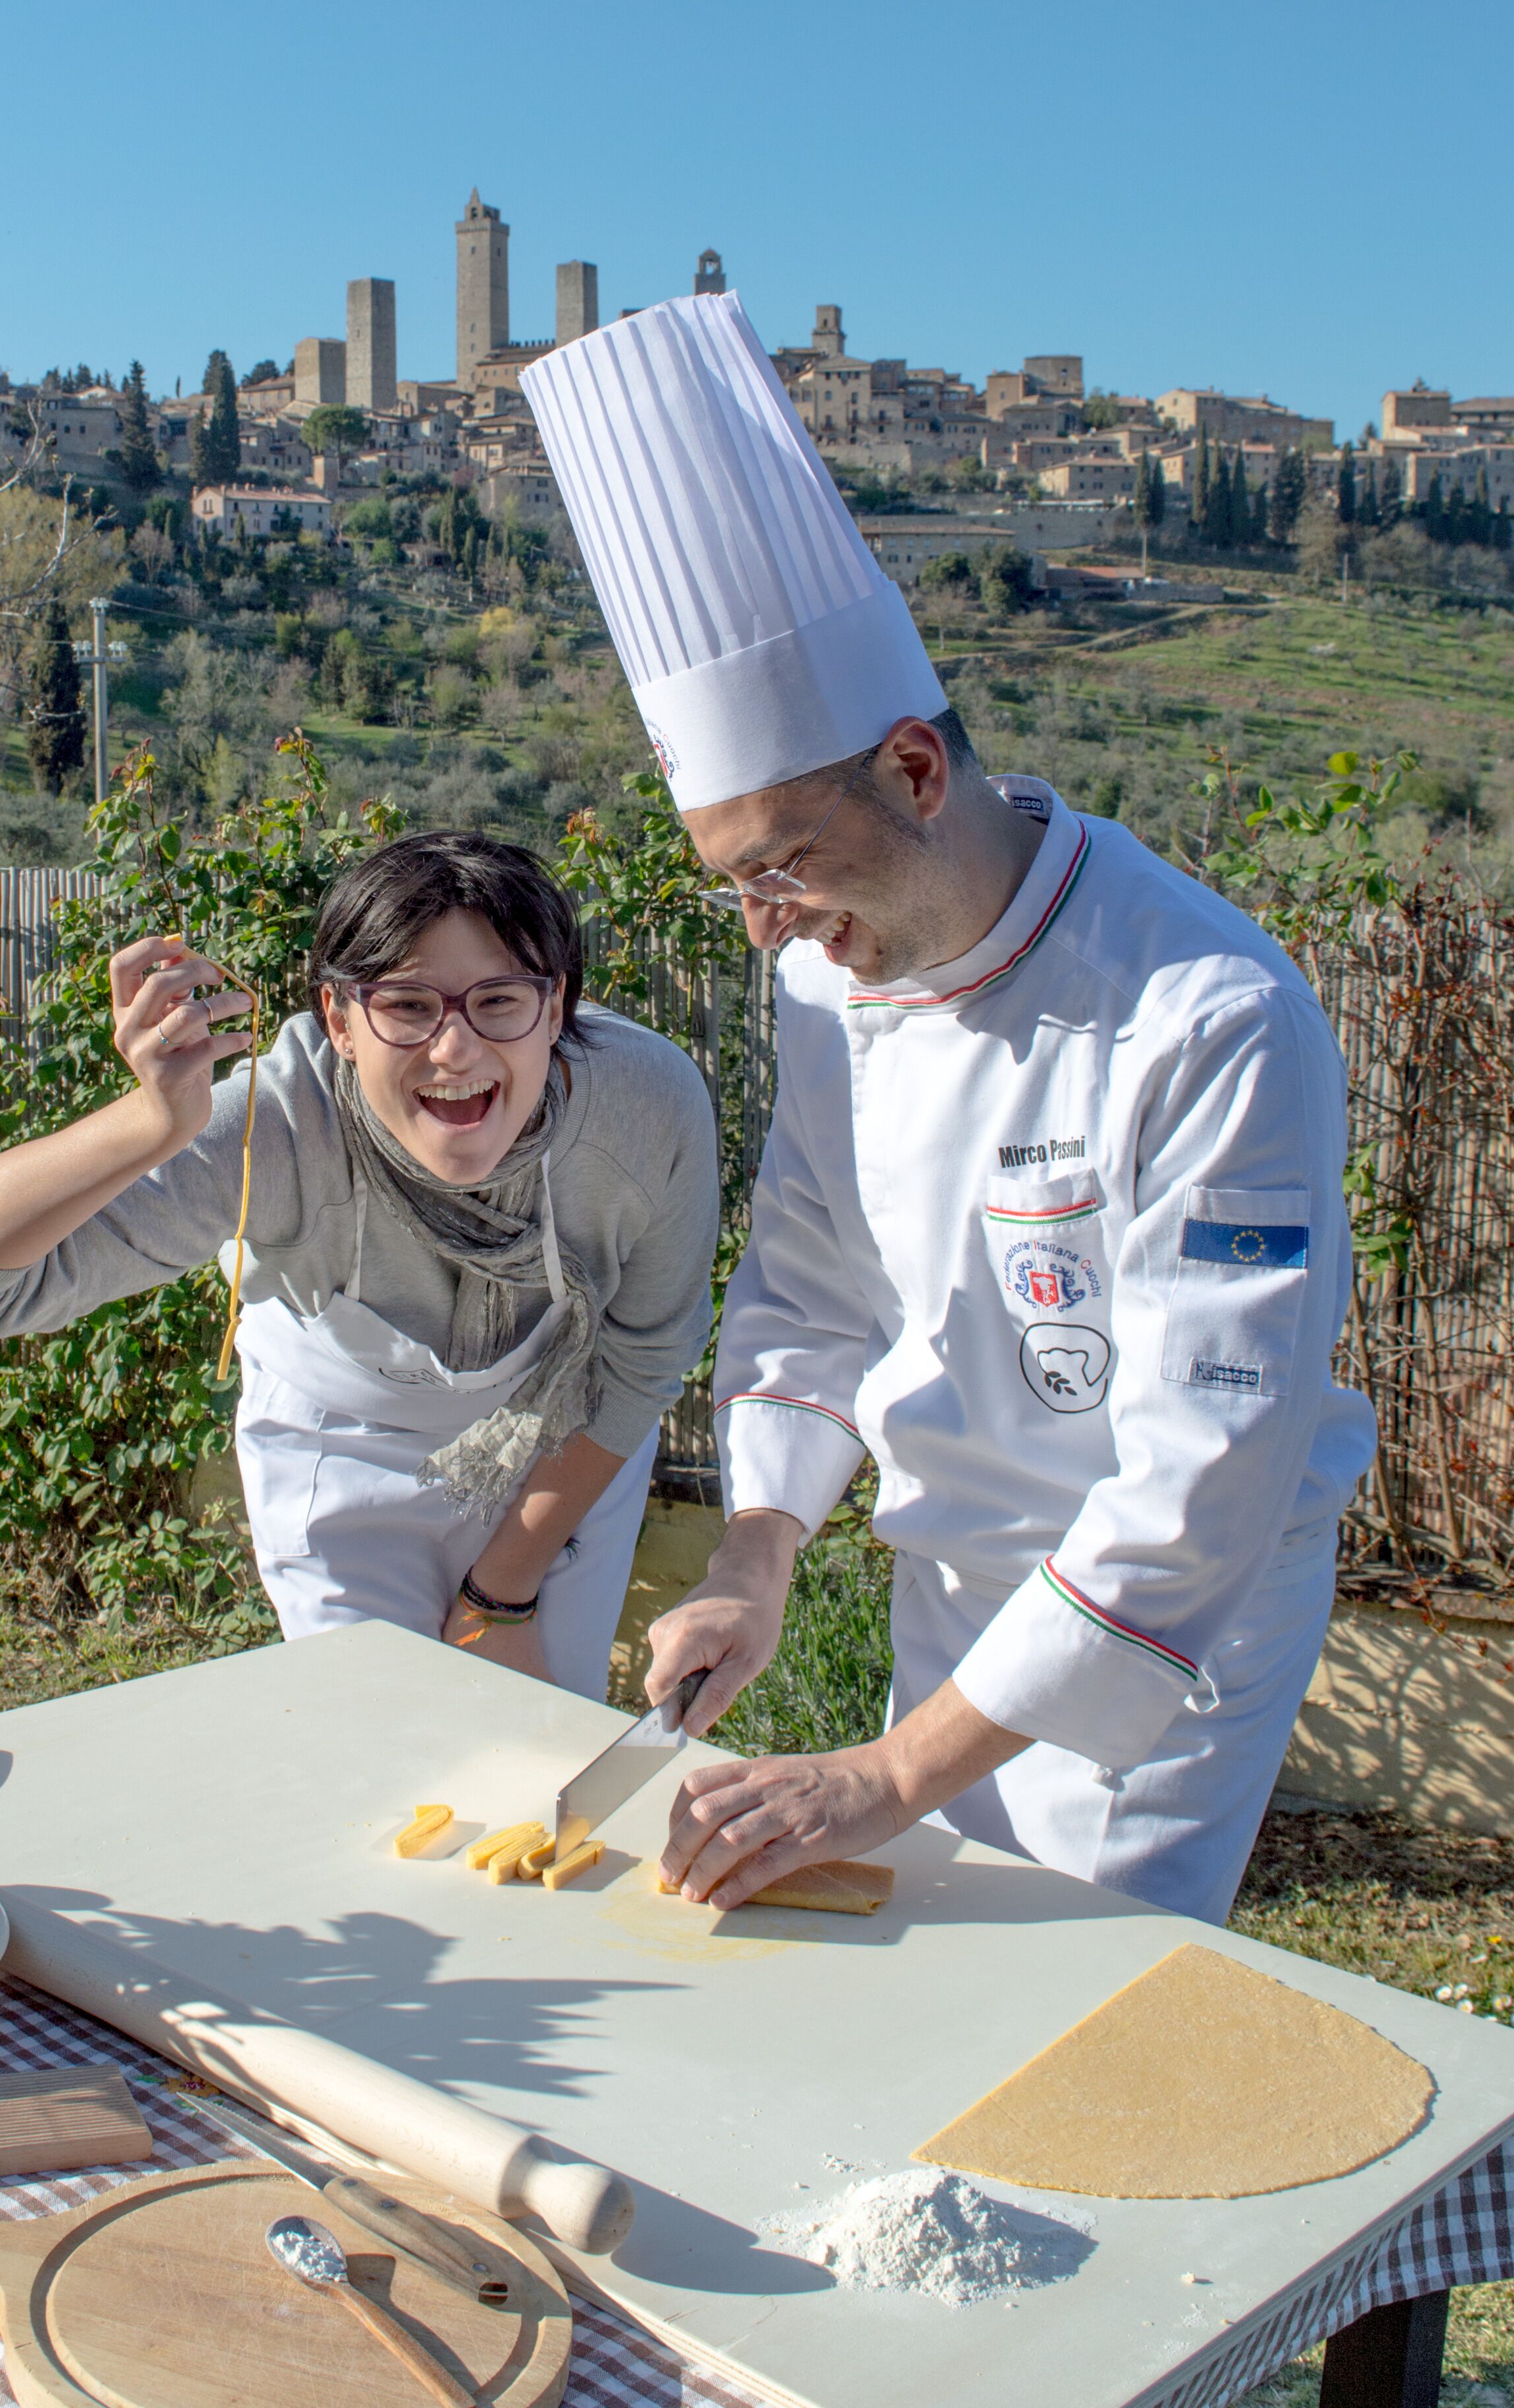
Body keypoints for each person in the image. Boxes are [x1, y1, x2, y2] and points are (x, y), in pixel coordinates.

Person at [524, 294, 1375, 1922]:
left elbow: (1204, 1476)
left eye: (784, 864)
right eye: (733, 884)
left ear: (915, 770)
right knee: (921, 1962)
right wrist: (756, 1552)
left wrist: (880, 1776)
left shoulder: (1209, 1016)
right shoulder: (826, 980)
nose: (764, 925)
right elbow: (815, 1286)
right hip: (956, 1579)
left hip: (1161, 1630)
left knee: (1078, 1997)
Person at [0, 829, 718, 1697]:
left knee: (547, 1740)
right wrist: (152, 1122)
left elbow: (644, 1357)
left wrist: (501, 1597)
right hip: (344, 1458)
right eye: (407, 1005)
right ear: (339, 1021)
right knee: (389, 1742)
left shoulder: (647, 1106)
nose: (455, 1050)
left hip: (566, 1447)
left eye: (500, 1001)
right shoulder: (276, 1128)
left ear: (558, 1006)